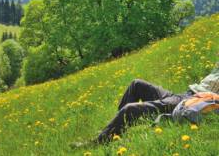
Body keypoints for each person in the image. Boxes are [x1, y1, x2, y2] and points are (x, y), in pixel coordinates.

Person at [71, 63, 219, 148]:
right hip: (183, 93)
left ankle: (99, 142)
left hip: (190, 101)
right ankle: (115, 128)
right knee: (136, 84)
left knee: (130, 109)